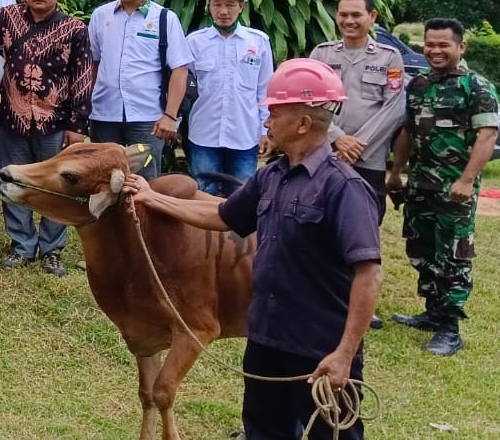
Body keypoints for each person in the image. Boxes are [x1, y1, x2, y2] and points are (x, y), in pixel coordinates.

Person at [125, 59, 382, 440]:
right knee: (263, 431)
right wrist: (153, 199)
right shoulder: (271, 176)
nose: (265, 122)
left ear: (303, 124)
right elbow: (224, 216)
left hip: (319, 347)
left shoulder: (344, 189)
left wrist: (344, 353)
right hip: (265, 338)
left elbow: (369, 274)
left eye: (273, 114)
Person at [386, 17, 500, 357]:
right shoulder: (418, 84)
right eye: (429, 44)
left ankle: (450, 328)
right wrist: (396, 173)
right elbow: (407, 132)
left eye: (443, 45)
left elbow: (488, 135)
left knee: (453, 255)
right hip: (420, 186)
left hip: (455, 191)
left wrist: (466, 180)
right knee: (421, 249)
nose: (434, 50)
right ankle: (432, 312)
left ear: (460, 47)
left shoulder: (476, 87)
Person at [0, 0, 94, 276]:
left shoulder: (74, 29)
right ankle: (21, 246)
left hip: (54, 123)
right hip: (12, 119)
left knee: (57, 188)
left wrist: (77, 126)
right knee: (15, 183)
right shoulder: (7, 17)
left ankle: (52, 250)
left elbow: (82, 78)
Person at [87, 0, 191, 180]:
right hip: (104, 114)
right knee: (103, 178)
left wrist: (170, 116)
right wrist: (87, 106)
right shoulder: (100, 16)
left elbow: (180, 70)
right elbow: (93, 63)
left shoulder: (165, 18)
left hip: (148, 118)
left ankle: (141, 218)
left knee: (144, 181)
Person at [309, 0, 406, 218]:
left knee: (365, 222)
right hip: (325, 153)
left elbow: (394, 108)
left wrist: (356, 146)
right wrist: (338, 138)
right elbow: (310, 101)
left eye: (356, 14)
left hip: (368, 158)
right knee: (319, 219)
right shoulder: (321, 54)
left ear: (372, 16)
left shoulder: (389, 57)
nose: (349, 21)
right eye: (343, 15)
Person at [183, 0, 273, 196]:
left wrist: (265, 131)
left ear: (241, 6)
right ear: (208, 5)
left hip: (245, 134)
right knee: (203, 193)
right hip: (203, 133)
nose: (223, 11)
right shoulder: (194, 42)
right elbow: (181, 88)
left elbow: (265, 90)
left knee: (243, 195)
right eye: (217, 4)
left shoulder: (258, 42)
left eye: (231, 5)